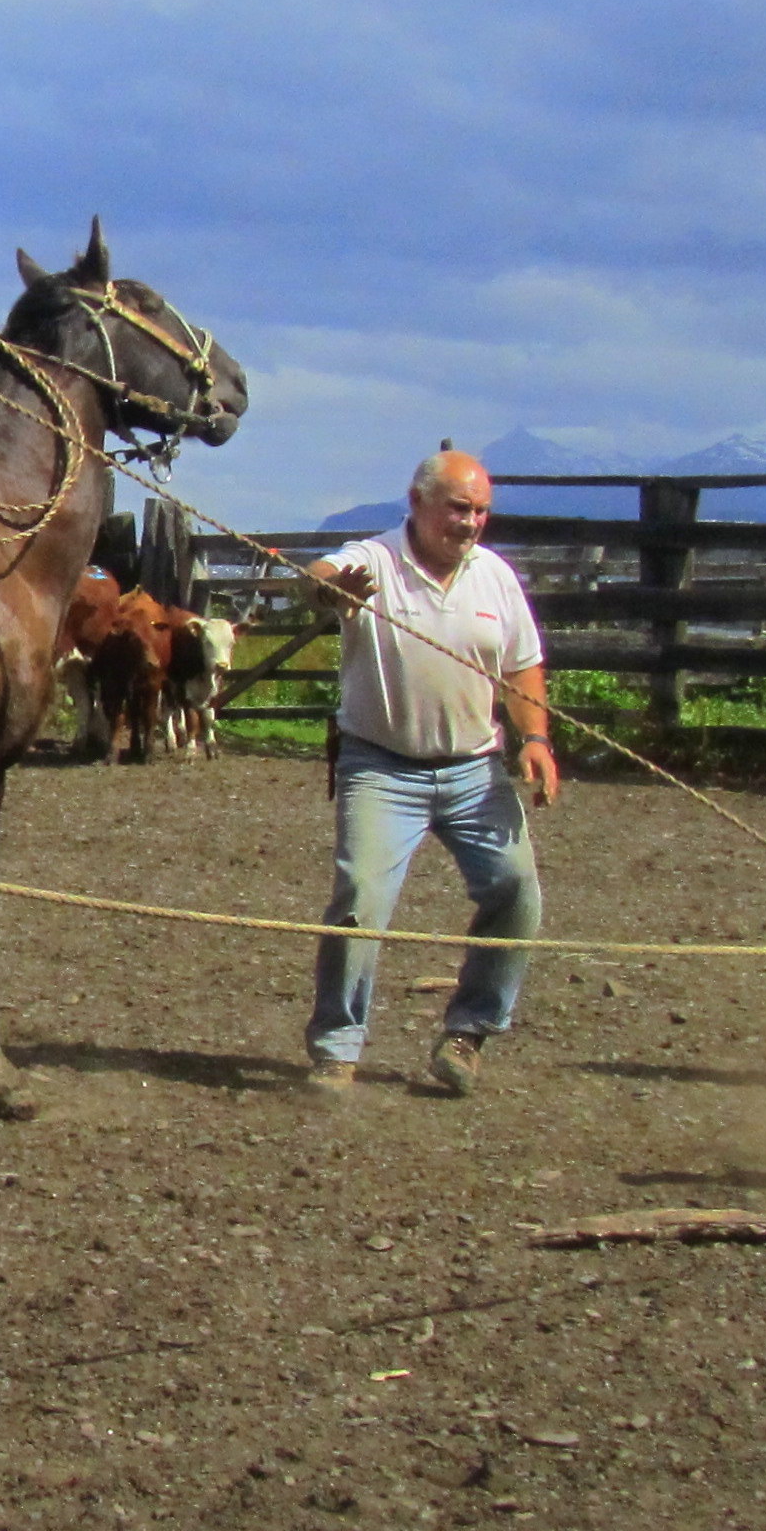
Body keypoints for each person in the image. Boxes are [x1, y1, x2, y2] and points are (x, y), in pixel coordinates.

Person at [298, 445, 558, 1096]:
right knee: (361, 899)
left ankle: (469, 1032)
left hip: (475, 768)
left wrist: (535, 739)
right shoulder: (374, 560)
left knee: (517, 892)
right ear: (417, 503)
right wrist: (325, 588)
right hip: (381, 767)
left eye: (481, 512)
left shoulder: (496, 577)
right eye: (459, 508)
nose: (470, 523)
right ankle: (337, 1048)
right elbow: (319, 577)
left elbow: (522, 665)